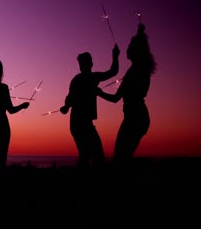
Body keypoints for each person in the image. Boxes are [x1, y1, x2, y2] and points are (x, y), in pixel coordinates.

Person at [97, 23, 157, 167]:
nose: (127, 49)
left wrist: (99, 93)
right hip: (137, 117)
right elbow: (118, 97)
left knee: (120, 158)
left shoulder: (135, 71)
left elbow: (116, 98)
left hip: (135, 118)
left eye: (130, 47)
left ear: (136, 51)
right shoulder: (138, 69)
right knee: (122, 157)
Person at [60, 44, 120, 169]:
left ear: (89, 64)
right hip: (79, 123)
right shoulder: (88, 78)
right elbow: (113, 71)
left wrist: (66, 107)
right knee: (94, 156)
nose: (82, 66)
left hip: (79, 123)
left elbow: (69, 99)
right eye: (81, 63)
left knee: (87, 156)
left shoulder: (83, 78)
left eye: (83, 63)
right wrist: (115, 56)